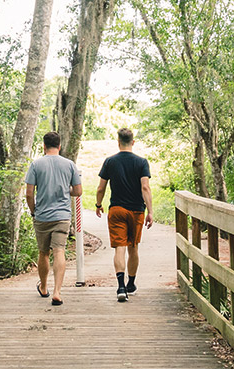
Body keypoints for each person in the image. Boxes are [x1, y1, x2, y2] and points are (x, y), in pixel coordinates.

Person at [95, 127, 153, 302]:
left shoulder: (109, 162)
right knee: (133, 247)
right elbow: (145, 187)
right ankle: (131, 284)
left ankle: (120, 287)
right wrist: (150, 211)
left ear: (118, 142)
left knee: (120, 248)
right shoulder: (142, 162)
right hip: (136, 210)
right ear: (133, 142)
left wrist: (98, 204)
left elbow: (100, 188)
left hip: (117, 210)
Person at [24, 131, 82, 306]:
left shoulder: (36, 164)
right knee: (59, 251)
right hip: (62, 216)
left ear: (43, 146)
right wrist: (66, 191)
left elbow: (29, 193)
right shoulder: (69, 165)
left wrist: (34, 211)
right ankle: (57, 291)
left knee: (44, 252)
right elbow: (78, 191)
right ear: (60, 146)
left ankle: (43, 287)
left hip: (42, 216)